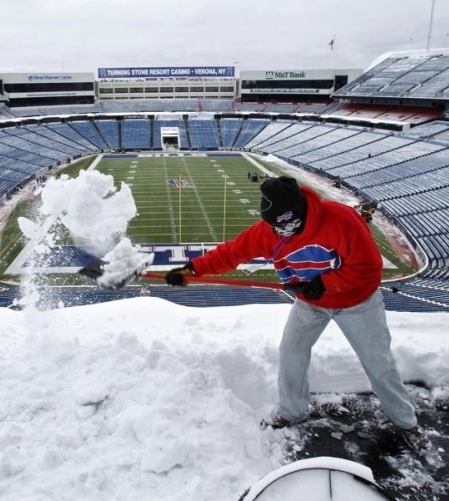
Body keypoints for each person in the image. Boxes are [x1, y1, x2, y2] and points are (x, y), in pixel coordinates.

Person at [165, 176, 428, 450]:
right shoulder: (272, 230)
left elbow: (369, 268)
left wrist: (324, 284)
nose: (278, 232)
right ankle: (293, 411)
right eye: (273, 226)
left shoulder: (342, 219)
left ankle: (406, 422)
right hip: (311, 304)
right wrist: (191, 270)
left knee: (378, 362)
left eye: (283, 225)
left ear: (297, 214)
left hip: (356, 302)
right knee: (292, 352)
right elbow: (233, 252)